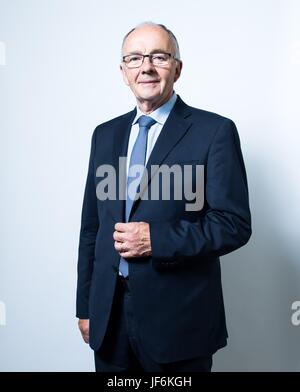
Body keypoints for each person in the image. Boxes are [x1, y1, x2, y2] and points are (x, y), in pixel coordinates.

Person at [76, 22, 251, 372]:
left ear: (177, 68)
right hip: (109, 320)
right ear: (123, 71)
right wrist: (85, 306)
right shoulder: (105, 135)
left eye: (159, 56)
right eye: (135, 58)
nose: (146, 66)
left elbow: (233, 224)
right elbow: (92, 229)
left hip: (179, 322)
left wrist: (155, 239)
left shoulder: (214, 132)